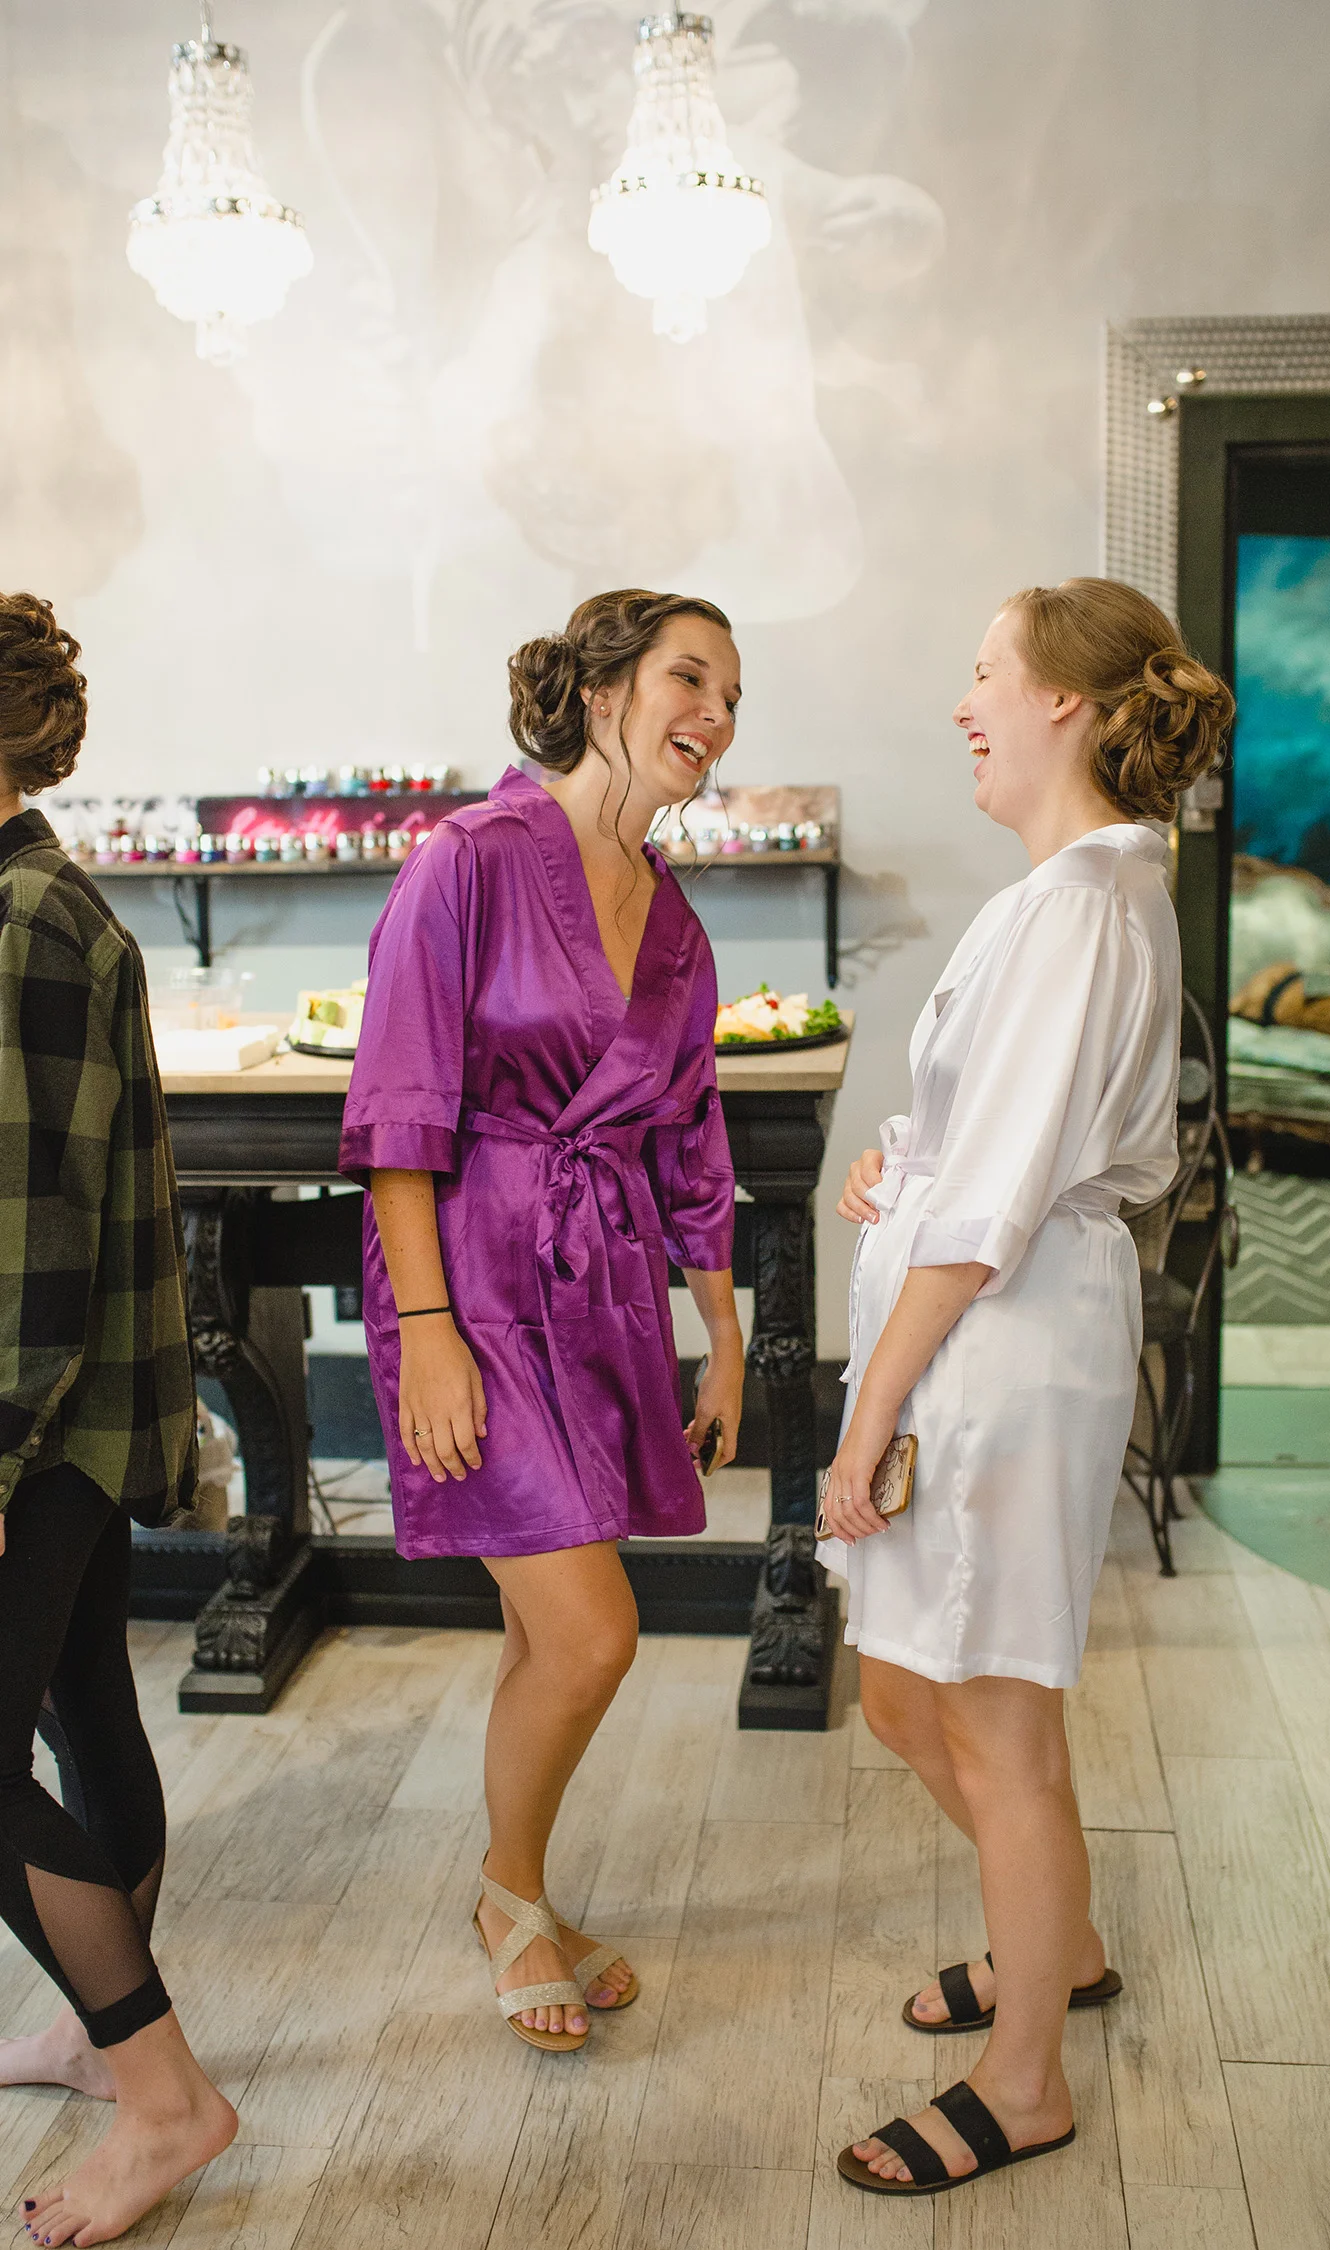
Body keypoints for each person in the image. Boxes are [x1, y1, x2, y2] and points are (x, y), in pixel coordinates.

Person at [819, 578, 1233, 2199]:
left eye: (984, 670)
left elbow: (997, 1204)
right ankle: (1055, 1937)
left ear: (1067, 699)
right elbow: (981, 1140)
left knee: (994, 1721)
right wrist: (896, 1166)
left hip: (998, 1350)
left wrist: (868, 1416)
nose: (963, 702)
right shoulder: (1072, 892)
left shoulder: (1083, 904)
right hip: (979, 1330)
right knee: (906, 1694)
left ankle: (1027, 2076)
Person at [341, 588, 743, 2052]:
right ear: (604, 689)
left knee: (544, 1627)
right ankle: (509, 1896)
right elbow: (397, 1111)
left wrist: (724, 1330)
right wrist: (429, 1331)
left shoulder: (675, 920)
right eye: (691, 678)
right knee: (592, 1633)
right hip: (471, 1278)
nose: (715, 714)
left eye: (733, 698)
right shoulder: (468, 858)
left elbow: (689, 1137)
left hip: (600, 1290)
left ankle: (523, 1893)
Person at [0, 593, 237, 2244]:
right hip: (84, 1414)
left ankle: (163, 2092)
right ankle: (112, 2038)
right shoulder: (46, 901)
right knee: (87, 1700)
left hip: (42, 1418)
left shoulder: (21, 919)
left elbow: (31, 1243)